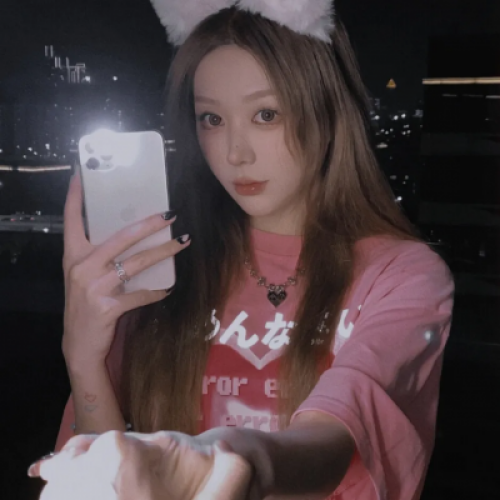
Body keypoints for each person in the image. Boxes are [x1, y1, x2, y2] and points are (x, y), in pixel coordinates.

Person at [29, 1, 455, 499]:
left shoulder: (402, 277)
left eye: (265, 115)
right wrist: (83, 356)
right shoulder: (164, 268)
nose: (236, 152)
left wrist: (230, 461)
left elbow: (338, 435)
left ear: (327, 110)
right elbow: (109, 474)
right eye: (211, 119)